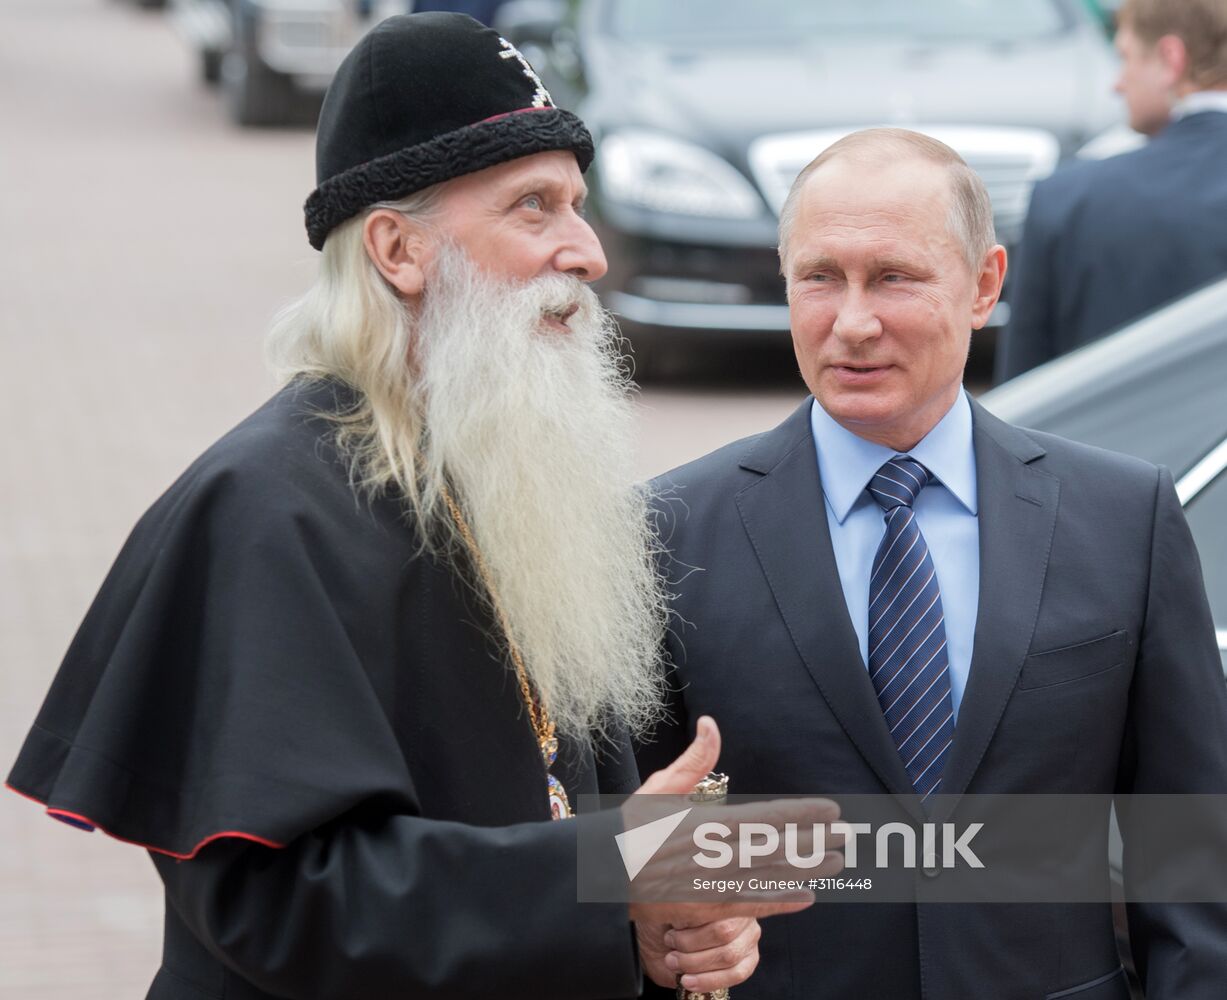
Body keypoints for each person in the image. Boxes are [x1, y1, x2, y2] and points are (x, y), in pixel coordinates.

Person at [4, 13, 827, 999]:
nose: (588, 251)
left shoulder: (518, 475)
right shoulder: (265, 512)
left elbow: (571, 817)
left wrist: (655, 929)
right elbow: (284, 906)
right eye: (535, 208)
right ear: (398, 248)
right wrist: (612, 875)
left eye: (580, 204)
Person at [638, 127, 1227, 998]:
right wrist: (661, 925)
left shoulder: (1121, 517)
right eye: (819, 278)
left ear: (985, 283)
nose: (852, 322)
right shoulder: (668, 531)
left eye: (893, 278)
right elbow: (633, 827)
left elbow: (1184, 856)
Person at [995, 0, 1227, 382]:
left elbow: (1022, 402)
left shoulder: (1068, 200)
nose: (1117, 84)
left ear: (1171, 59)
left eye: (1126, 57)